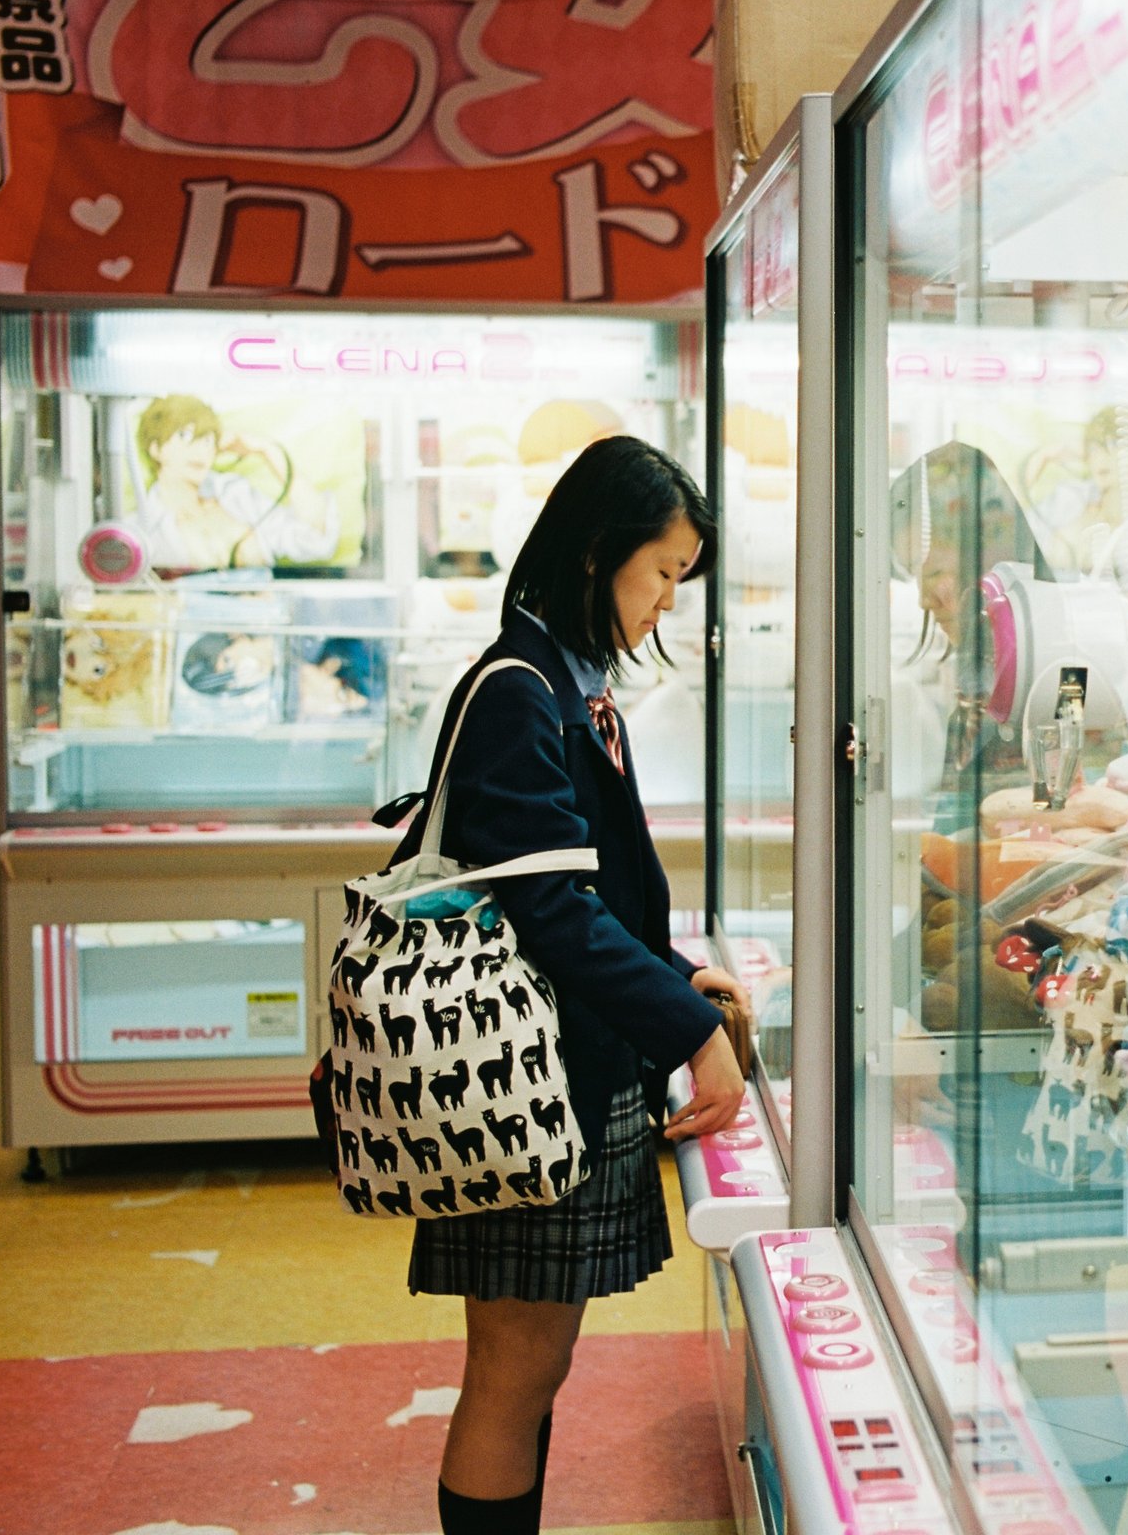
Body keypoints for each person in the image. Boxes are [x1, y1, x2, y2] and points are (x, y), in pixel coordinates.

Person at [386, 437, 747, 1535]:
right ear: (599, 557)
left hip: (554, 1078)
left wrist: (680, 975)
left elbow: (585, 893)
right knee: (513, 1372)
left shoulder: (569, 688)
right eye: (663, 576)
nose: (664, 608)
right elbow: (551, 917)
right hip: (520, 1083)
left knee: (532, 1370)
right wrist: (692, 1029)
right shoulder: (519, 690)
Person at [132, 394, 342, 572]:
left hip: (265, 616)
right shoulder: (136, 529)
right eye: (185, 436)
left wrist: (269, 451)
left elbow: (316, 538)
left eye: (208, 439)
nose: (200, 450)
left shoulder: (236, 495)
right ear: (155, 448)